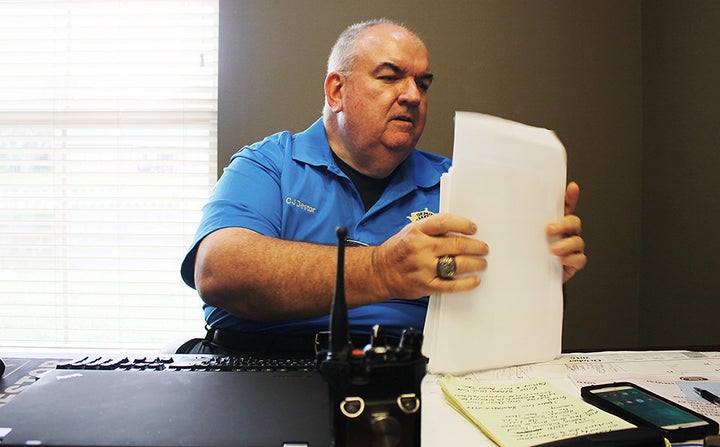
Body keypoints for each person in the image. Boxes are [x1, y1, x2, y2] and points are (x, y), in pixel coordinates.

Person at [179, 18, 586, 355]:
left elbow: (499, 322)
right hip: (266, 364)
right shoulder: (270, 163)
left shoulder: (458, 183)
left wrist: (537, 275)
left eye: (423, 84)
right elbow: (218, 272)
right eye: (390, 77)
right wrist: (381, 270)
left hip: (413, 371)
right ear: (337, 91)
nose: (412, 96)